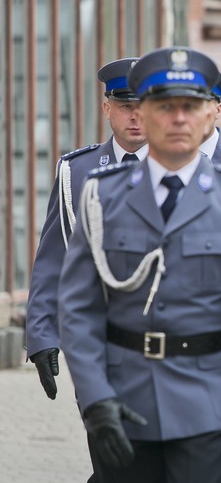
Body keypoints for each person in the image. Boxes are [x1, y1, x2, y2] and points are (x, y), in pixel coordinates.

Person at [57, 46, 221, 483]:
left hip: (208, 401)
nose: (179, 118)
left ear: (209, 116)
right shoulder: (101, 195)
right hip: (124, 398)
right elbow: (77, 309)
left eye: (190, 106)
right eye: (165, 106)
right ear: (142, 114)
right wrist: (94, 397)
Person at [27, 57, 148, 402]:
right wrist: (42, 335)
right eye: (126, 106)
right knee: (108, 450)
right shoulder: (77, 171)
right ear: (107, 109)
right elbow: (53, 257)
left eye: (144, 106)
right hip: (100, 343)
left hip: (171, 341)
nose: (136, 116)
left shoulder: (184, 169)